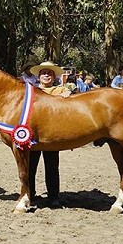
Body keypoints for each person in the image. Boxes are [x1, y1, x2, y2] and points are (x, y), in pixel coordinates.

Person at [28, 61, 71, 208]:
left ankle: (53, 197)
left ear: (54, 77)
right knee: (30, 166)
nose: (46, 75)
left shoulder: (61, 91)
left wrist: (68, 96)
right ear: (39, 76)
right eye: (44, 73)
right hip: (32, 136)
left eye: (49, 73)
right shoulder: (31, 91)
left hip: (52, 136)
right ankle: (30, 193)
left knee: (52, 166)